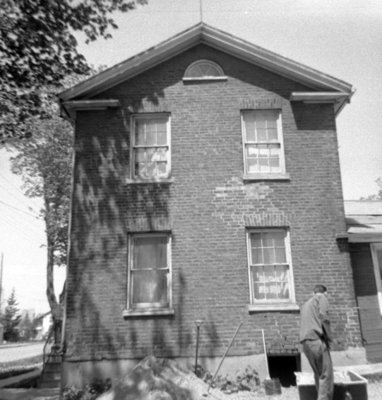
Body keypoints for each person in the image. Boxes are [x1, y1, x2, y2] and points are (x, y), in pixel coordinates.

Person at [300, 284, 334, 400]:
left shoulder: (305, 305)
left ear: (312, 293)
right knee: (326, 375)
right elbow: (323, 317)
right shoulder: (322, 298)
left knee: (318, 374)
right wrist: (330, 337)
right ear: (325, 293)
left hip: (305, 343)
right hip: (316, 340)